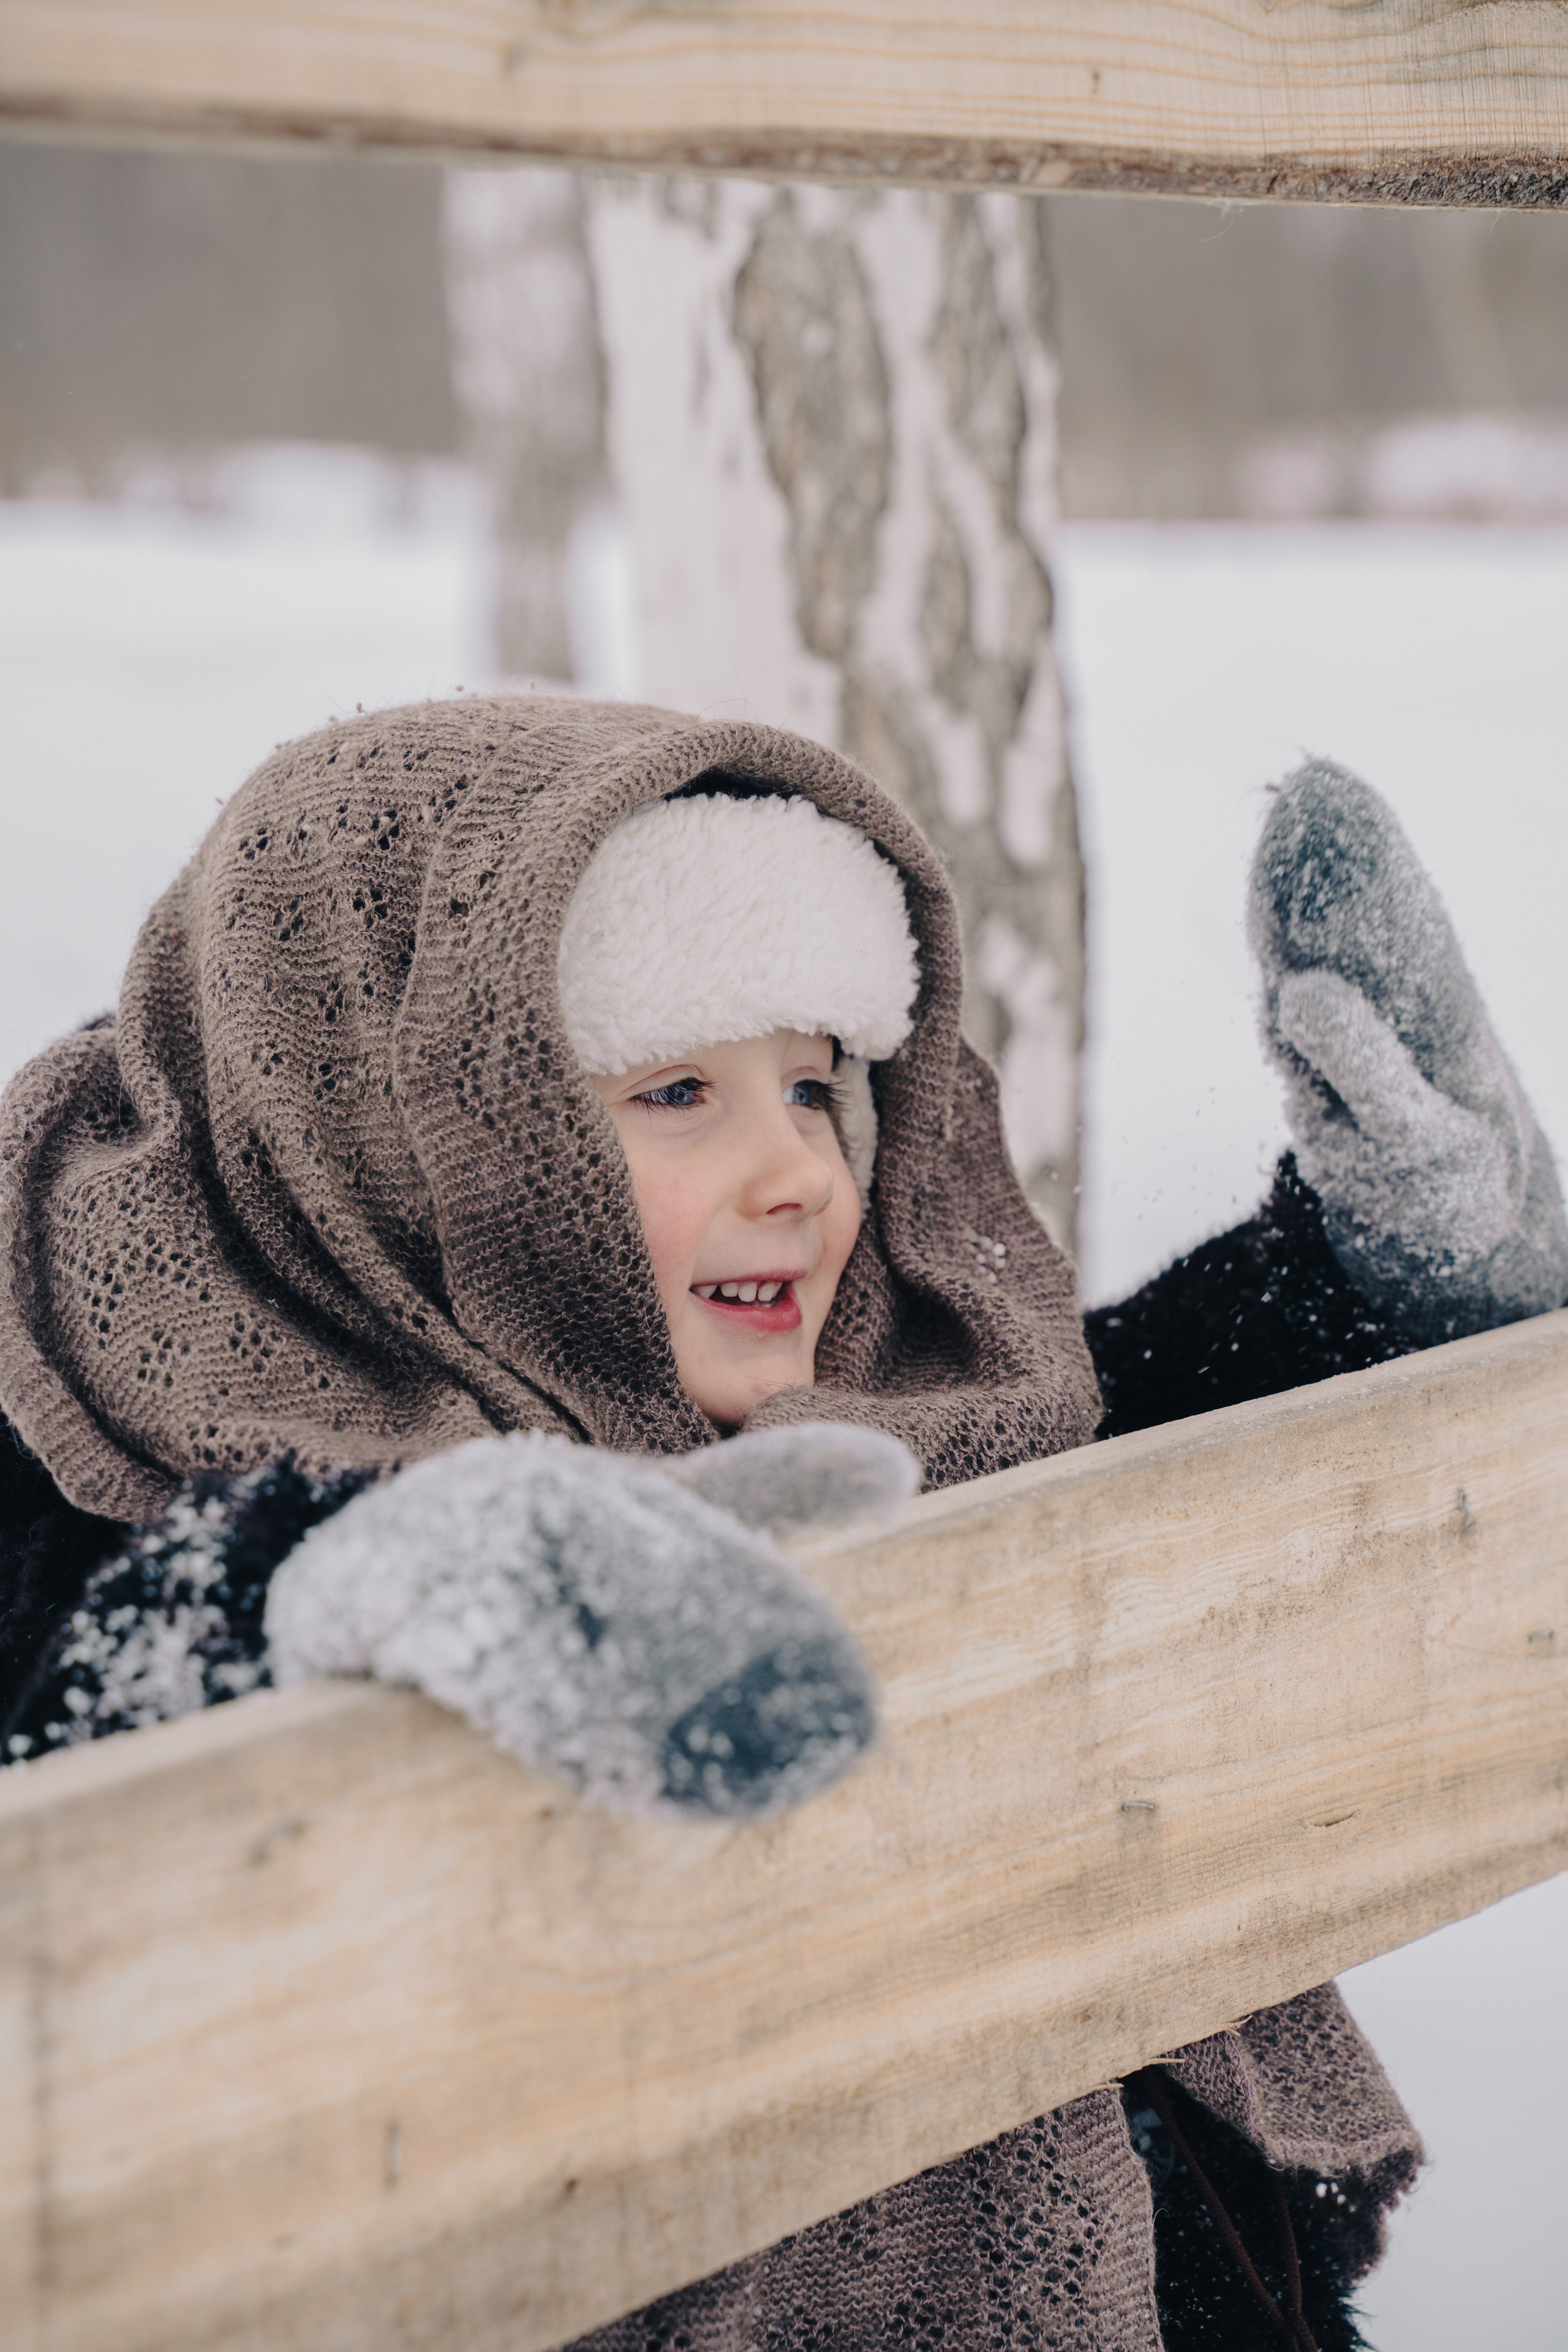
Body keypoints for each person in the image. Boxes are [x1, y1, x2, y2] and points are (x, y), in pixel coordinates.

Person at [1, 698, 1562, 2351]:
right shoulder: (108, 1488)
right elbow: (82, 1845)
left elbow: (1081, 1470)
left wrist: (1368, 1278)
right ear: (395, 1131)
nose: (801, 1174)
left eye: (814, 1088)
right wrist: (307, 1600)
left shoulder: (862, 1408)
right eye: (679, 1090)